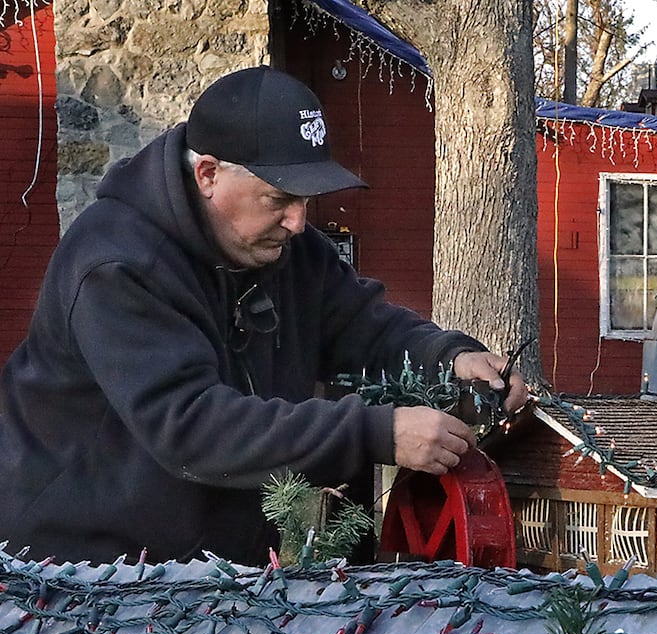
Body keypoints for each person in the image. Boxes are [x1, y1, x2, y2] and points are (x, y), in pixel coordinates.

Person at [0, 66, 529, 565]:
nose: (298, 222)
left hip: (212, 571)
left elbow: (363, 328)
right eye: (278, 198)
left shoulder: (283, 249)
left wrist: (449, 357)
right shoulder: (115, 266)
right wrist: (375, 433)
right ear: (208, 173)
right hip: (78, 570)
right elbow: (191, 426)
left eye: (306, 199)